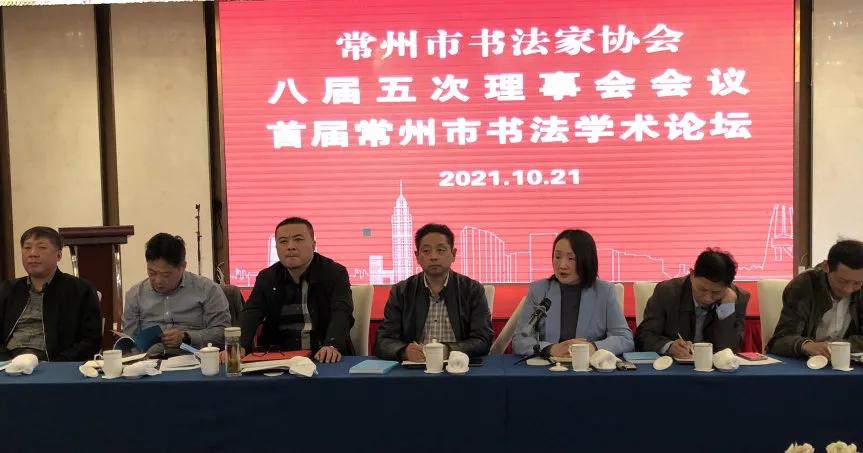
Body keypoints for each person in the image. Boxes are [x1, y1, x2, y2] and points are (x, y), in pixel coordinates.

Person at [240, 217, 354, 363]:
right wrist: (239, 345)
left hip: (323, 356)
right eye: (283, 241)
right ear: (276, 247)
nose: (290, 247)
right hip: (278, 358)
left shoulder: (334, 273)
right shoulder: (267, 277)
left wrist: (332, 345)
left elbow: (342, 312)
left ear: (313, 244)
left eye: (298, 239)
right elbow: (251, 313)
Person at [375, 223, 493, 361]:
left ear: (453, 254)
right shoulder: (401, 291)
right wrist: (403, 351)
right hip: (415, 366)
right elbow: (383, 341)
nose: (433, 257)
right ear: (417, 256)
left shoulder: (472, 290)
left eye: (440, 250)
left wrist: (449, 350)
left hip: (457, 365)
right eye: (426, 251)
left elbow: (483, 340)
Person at [513, 229, 633, 358]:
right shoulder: (539, 290)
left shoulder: (605, 291)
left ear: (586, 260)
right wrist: (550, 349)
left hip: (587, 366)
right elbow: (520, 339)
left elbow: (625, 339)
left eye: (571, 258)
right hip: (549, 366)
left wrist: (594, 347)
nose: (562, 265)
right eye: (557, 257)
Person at [0, 226, 101, 361]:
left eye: (42, 247)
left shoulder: (80, 289)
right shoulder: (7, 289)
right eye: (27, 248)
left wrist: (56, 364)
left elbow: (91, 340)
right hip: (9, 362)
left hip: (54, 363)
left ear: (58, 255)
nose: (33, 254)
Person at [122, 233, 230, 356]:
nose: (158, 281)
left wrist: (187, 337)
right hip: (149, 362)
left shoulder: (208, 290)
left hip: (195, 360)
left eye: (166, 275)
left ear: (182, 266)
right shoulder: (135, 295)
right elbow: (129, 342)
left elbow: (224, 333)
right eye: (152, 273)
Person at [635, 248, 749, 359]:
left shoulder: (738, 298)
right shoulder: (667, 292)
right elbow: (645, 336)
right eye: (702, 289)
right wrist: (669, 346)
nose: (708, 298)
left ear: (728, 286)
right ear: (692, 274)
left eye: (716, 292)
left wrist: (727, 307)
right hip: (674, 366)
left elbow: (729, 349)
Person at [767, 239, 863, 357]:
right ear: (826, 266)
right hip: (806, 362)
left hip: (849, 360)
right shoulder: (804, 286)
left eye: (857, 283)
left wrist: (836, 346)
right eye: (842, 281)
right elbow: (780, 341)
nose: (848, 289)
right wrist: (805, 345)